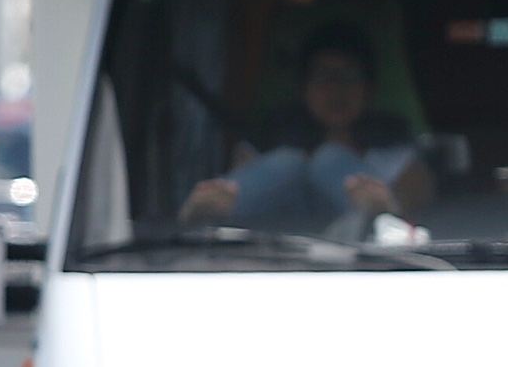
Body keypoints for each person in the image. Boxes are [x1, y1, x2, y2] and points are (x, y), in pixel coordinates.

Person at [180, 23, 438, 232]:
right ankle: (205, 219)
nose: (336, 89)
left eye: (349, 76)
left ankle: (377, 215)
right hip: (271, 253)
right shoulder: (265, 143)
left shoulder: (394, 151)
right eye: (323, 77)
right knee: (288, 162)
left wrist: (382, 203)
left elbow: (423, 213)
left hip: (363, 255)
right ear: (302, 90)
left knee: (329, 159)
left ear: (370, 91)